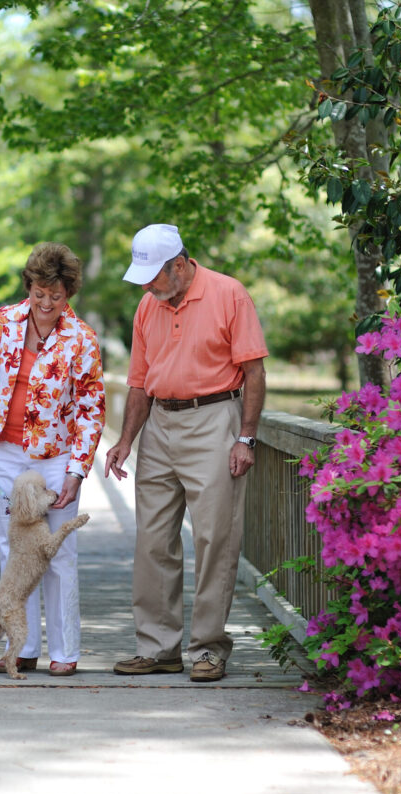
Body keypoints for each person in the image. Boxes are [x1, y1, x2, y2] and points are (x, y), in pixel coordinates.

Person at [103, 223, 268, 683]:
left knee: (216, 538)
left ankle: (208, 648)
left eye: (153, 276)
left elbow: (254, 372)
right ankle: (158, 648)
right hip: (159, 425)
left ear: (180, 265)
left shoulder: (229, 294)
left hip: (215, 420)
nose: (148, 286)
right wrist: (125, 441)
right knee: (152, 539)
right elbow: (138, 381)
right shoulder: (147, 305)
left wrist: (246, 438)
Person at [0, 242, 105, 677]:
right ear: (28, 287)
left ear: (69, 293)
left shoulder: (82, 339)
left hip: (55, 460)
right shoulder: (3, 323)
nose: (47, 304)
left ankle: (65, 652)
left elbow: (92, 409)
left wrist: (76, 470)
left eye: (57, 296)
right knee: (14, 552)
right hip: (6, 455)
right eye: (39, 293)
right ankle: (24, 645)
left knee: (60, 554)